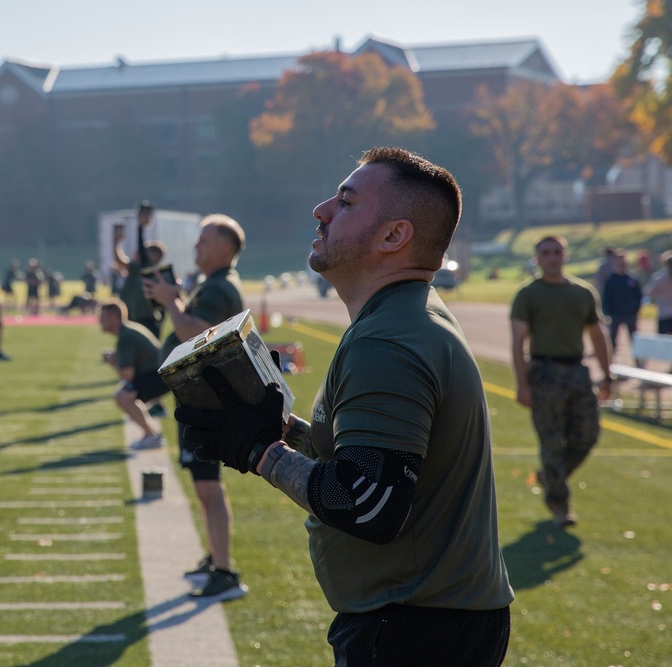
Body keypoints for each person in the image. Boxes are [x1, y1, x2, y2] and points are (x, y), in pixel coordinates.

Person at [173, 148, 513, 663]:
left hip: (415, 627)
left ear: (394, 236)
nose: (321, 209)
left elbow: (367, 502)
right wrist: (284, 430)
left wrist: (261, 451)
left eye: (346, 202)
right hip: (433, 618)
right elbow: (377, 456)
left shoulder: (389, 339)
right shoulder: (405, 317)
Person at [143, 213, 247, 601]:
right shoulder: (216, 284)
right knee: (205, 487)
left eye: (204, 241)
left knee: (208, 487)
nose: (196, 247)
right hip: (202, 399)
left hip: (206, 402)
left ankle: (225, 572)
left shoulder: (219, 287)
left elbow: (196, 335)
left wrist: (171, 302)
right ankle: (216, 558)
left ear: (224, 247)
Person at [511, 235, 613, 527]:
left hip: (577, 372)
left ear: (565, 256)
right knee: (552, 442)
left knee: (587, 435)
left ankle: (550, 476)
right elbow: (518, 342)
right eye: (546, 252)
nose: (552, 257)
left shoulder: (583, 292)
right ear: (538, 258)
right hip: (544, 372)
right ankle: (560, 505)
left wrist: (607, 374)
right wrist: (522, 384)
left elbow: (597, 335)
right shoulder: (528, 294)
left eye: (557, 252)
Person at [98, 300, 169, 449]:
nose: (99, 321)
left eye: (102, 317)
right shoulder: (127, 330)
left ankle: (151, 435)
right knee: (126, 392)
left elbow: (127, 375)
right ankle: (150, 433)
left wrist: (113, 363)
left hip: (159, 377)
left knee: (122, 396)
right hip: (159, 373)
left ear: (113, 318)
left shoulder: (125, 336)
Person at [115, 201, 167, 337]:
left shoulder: (150, 270)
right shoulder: (140, 269)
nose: (143, 252)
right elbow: (119, 260)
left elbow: (141, 251)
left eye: (148, 251)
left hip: (147, 321)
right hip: (134, 318)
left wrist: (140, 227)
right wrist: (116, 242)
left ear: (156, 257)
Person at [601, 250, 642, 355]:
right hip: (615, 315)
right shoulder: (610, 280)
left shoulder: (632, 279)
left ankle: (638, 360)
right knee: (612, 340)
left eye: (624, 261)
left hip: (630, 315)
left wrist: (636, 310)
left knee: (634, 339)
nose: (622, 264)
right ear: (615, 263)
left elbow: (639, 296)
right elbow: (606, 298)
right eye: (620, 261)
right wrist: (608, 313)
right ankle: (611, 361)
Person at [644, 251, 672, 336]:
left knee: (663, 340)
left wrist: (659, 296)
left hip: (664, 313)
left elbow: (648, 292)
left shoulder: (659, 278)